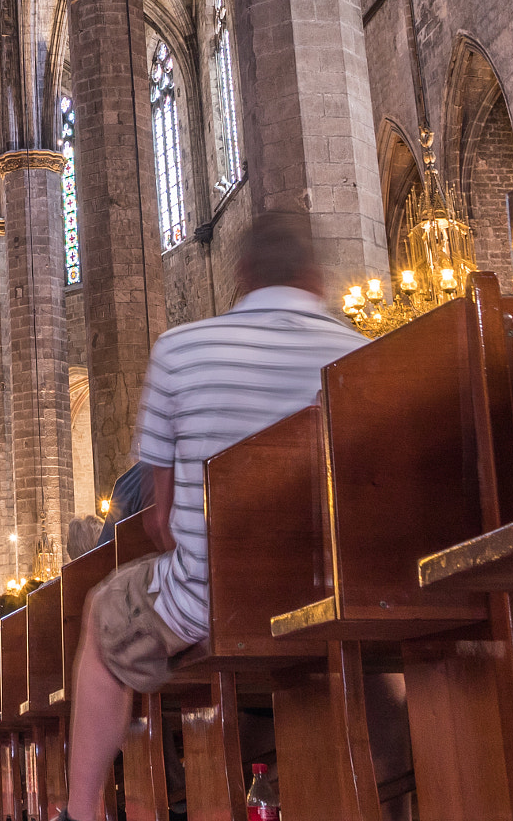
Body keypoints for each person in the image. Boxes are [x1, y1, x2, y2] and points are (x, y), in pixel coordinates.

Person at [60, 211, 368, 821]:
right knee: (381, 672)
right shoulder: (366, 353)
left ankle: (81, 810)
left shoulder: (182, 350)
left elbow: (161, 518)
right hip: (344, 592)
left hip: (211, 602)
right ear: (315, 277)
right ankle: (315, 783)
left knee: (103, 615)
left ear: (241, 275)